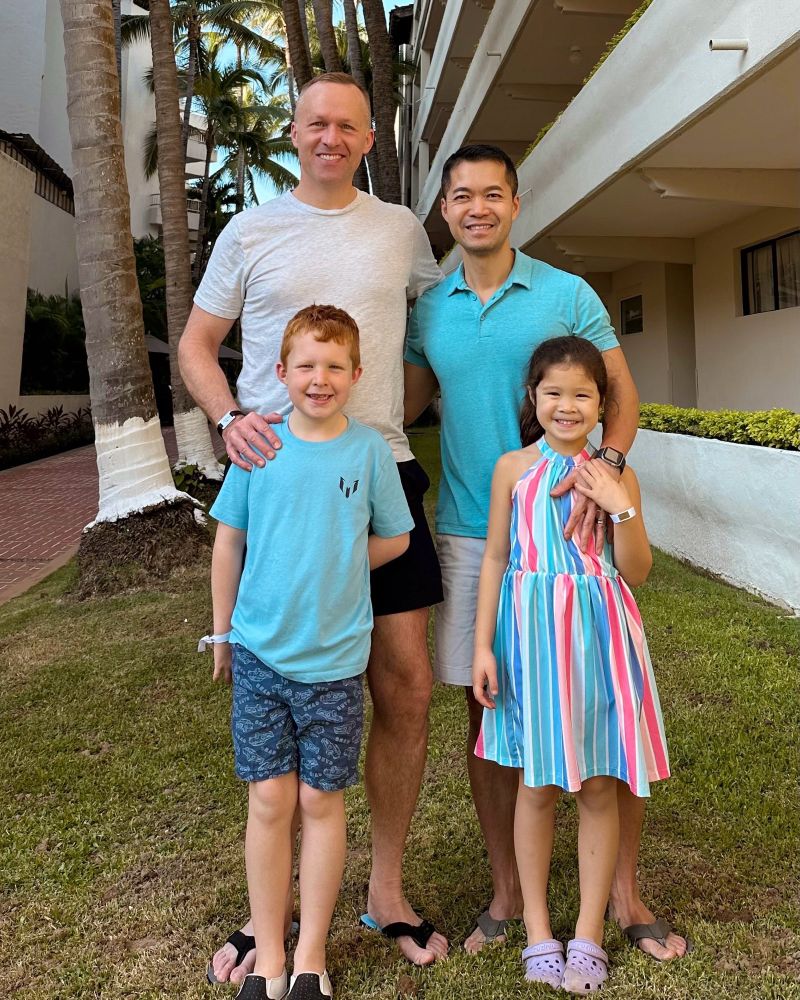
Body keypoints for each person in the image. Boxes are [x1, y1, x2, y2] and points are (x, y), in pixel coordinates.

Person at [179, 72, 449, 977]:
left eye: (348, 125)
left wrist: (400, 414)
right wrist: (230, 420)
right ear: (296, 132)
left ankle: (384, 890)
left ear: (371, 138)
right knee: (278, 690)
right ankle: (273, 919)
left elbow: (432, 334)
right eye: (315, 122)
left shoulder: (403, 230)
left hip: (383, 475)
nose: (330, 136)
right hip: (279, 479)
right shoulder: (250, 229)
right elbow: (195, 342)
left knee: (403, 685)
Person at [404, 144, 688, 961]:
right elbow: (415, 397)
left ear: (515, 204)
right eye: (461, 196)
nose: (477, 208)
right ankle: (507, 894)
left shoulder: (567, 292)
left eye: (493, 194)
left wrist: (609, 473)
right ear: (447, 211)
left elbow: (621, 393)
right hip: (473, 527)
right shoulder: (432, 308)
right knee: (490, 711)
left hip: (576, 532)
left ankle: (625, 893)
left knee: (608, 711)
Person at [206, 305, 415, 1000]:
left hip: (334, 664)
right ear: (280, 372)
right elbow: (228, 542)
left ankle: (310, 961)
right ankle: (269, 957)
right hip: (263, 657)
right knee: (269, 800)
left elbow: (397, 538)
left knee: (323, 801)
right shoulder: (258, 446)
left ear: (356, 375)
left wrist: (343, 560)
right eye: (306, 365)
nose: (319, 379)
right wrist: (223, 631)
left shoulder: (368, 453)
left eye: (334, 366)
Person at [471, 336, 671, 993]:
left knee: (595, 785)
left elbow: (636, 570)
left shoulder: (618, 476)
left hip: (599, 639)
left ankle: (586, 933)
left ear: (601, 403)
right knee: (535, 784)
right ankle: (537, 931)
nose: (566, 405)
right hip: (530, 640)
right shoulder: (511, 470)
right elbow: (497, 558)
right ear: (533, 398)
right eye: (553, 393)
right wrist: (481, 645)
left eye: (582, 394)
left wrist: (621, 506)